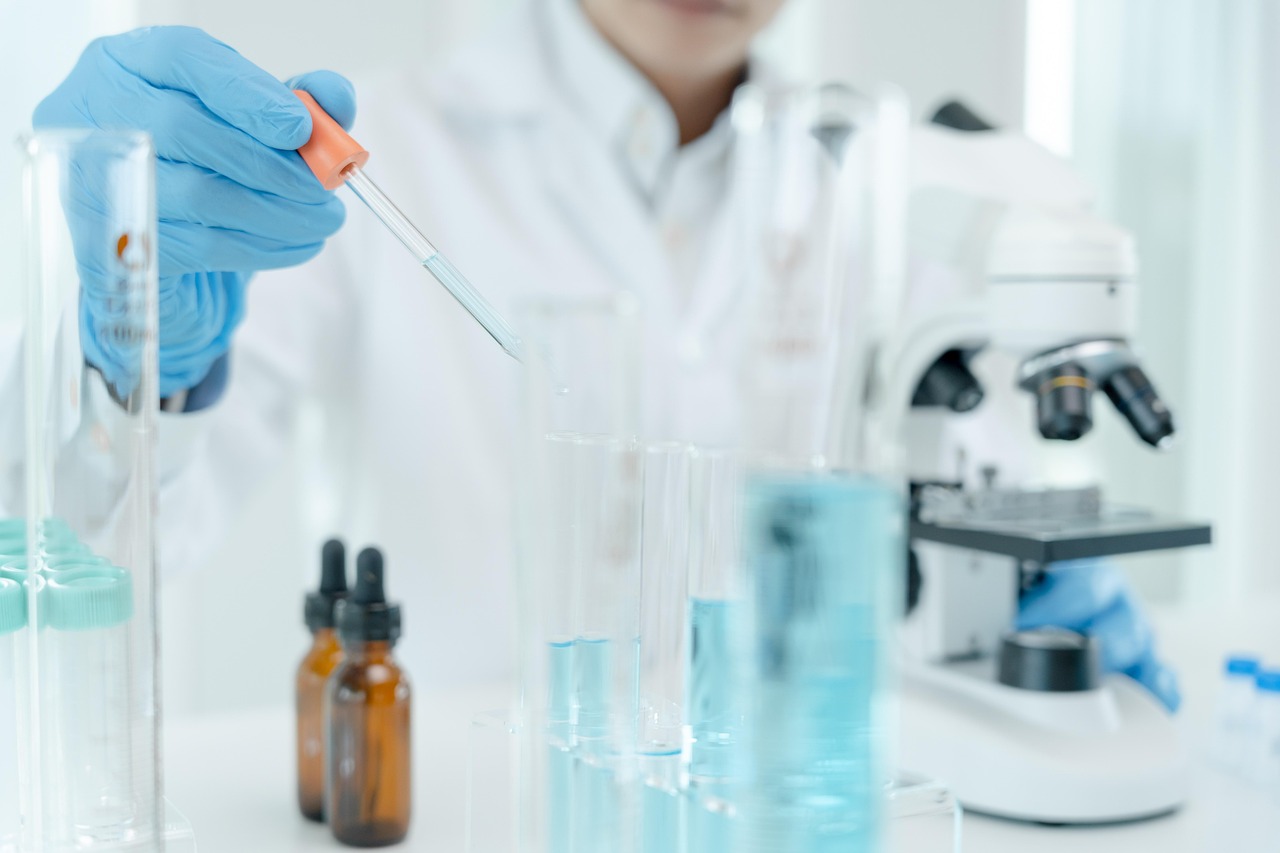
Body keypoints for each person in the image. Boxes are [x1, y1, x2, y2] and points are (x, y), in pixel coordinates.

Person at [25, 0, 1178, 708]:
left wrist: (1018, 592)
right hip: (478, 806)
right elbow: (93, 553)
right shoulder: (387, 155)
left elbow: (969, 490)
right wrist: (134, 355)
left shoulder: (884, 180)